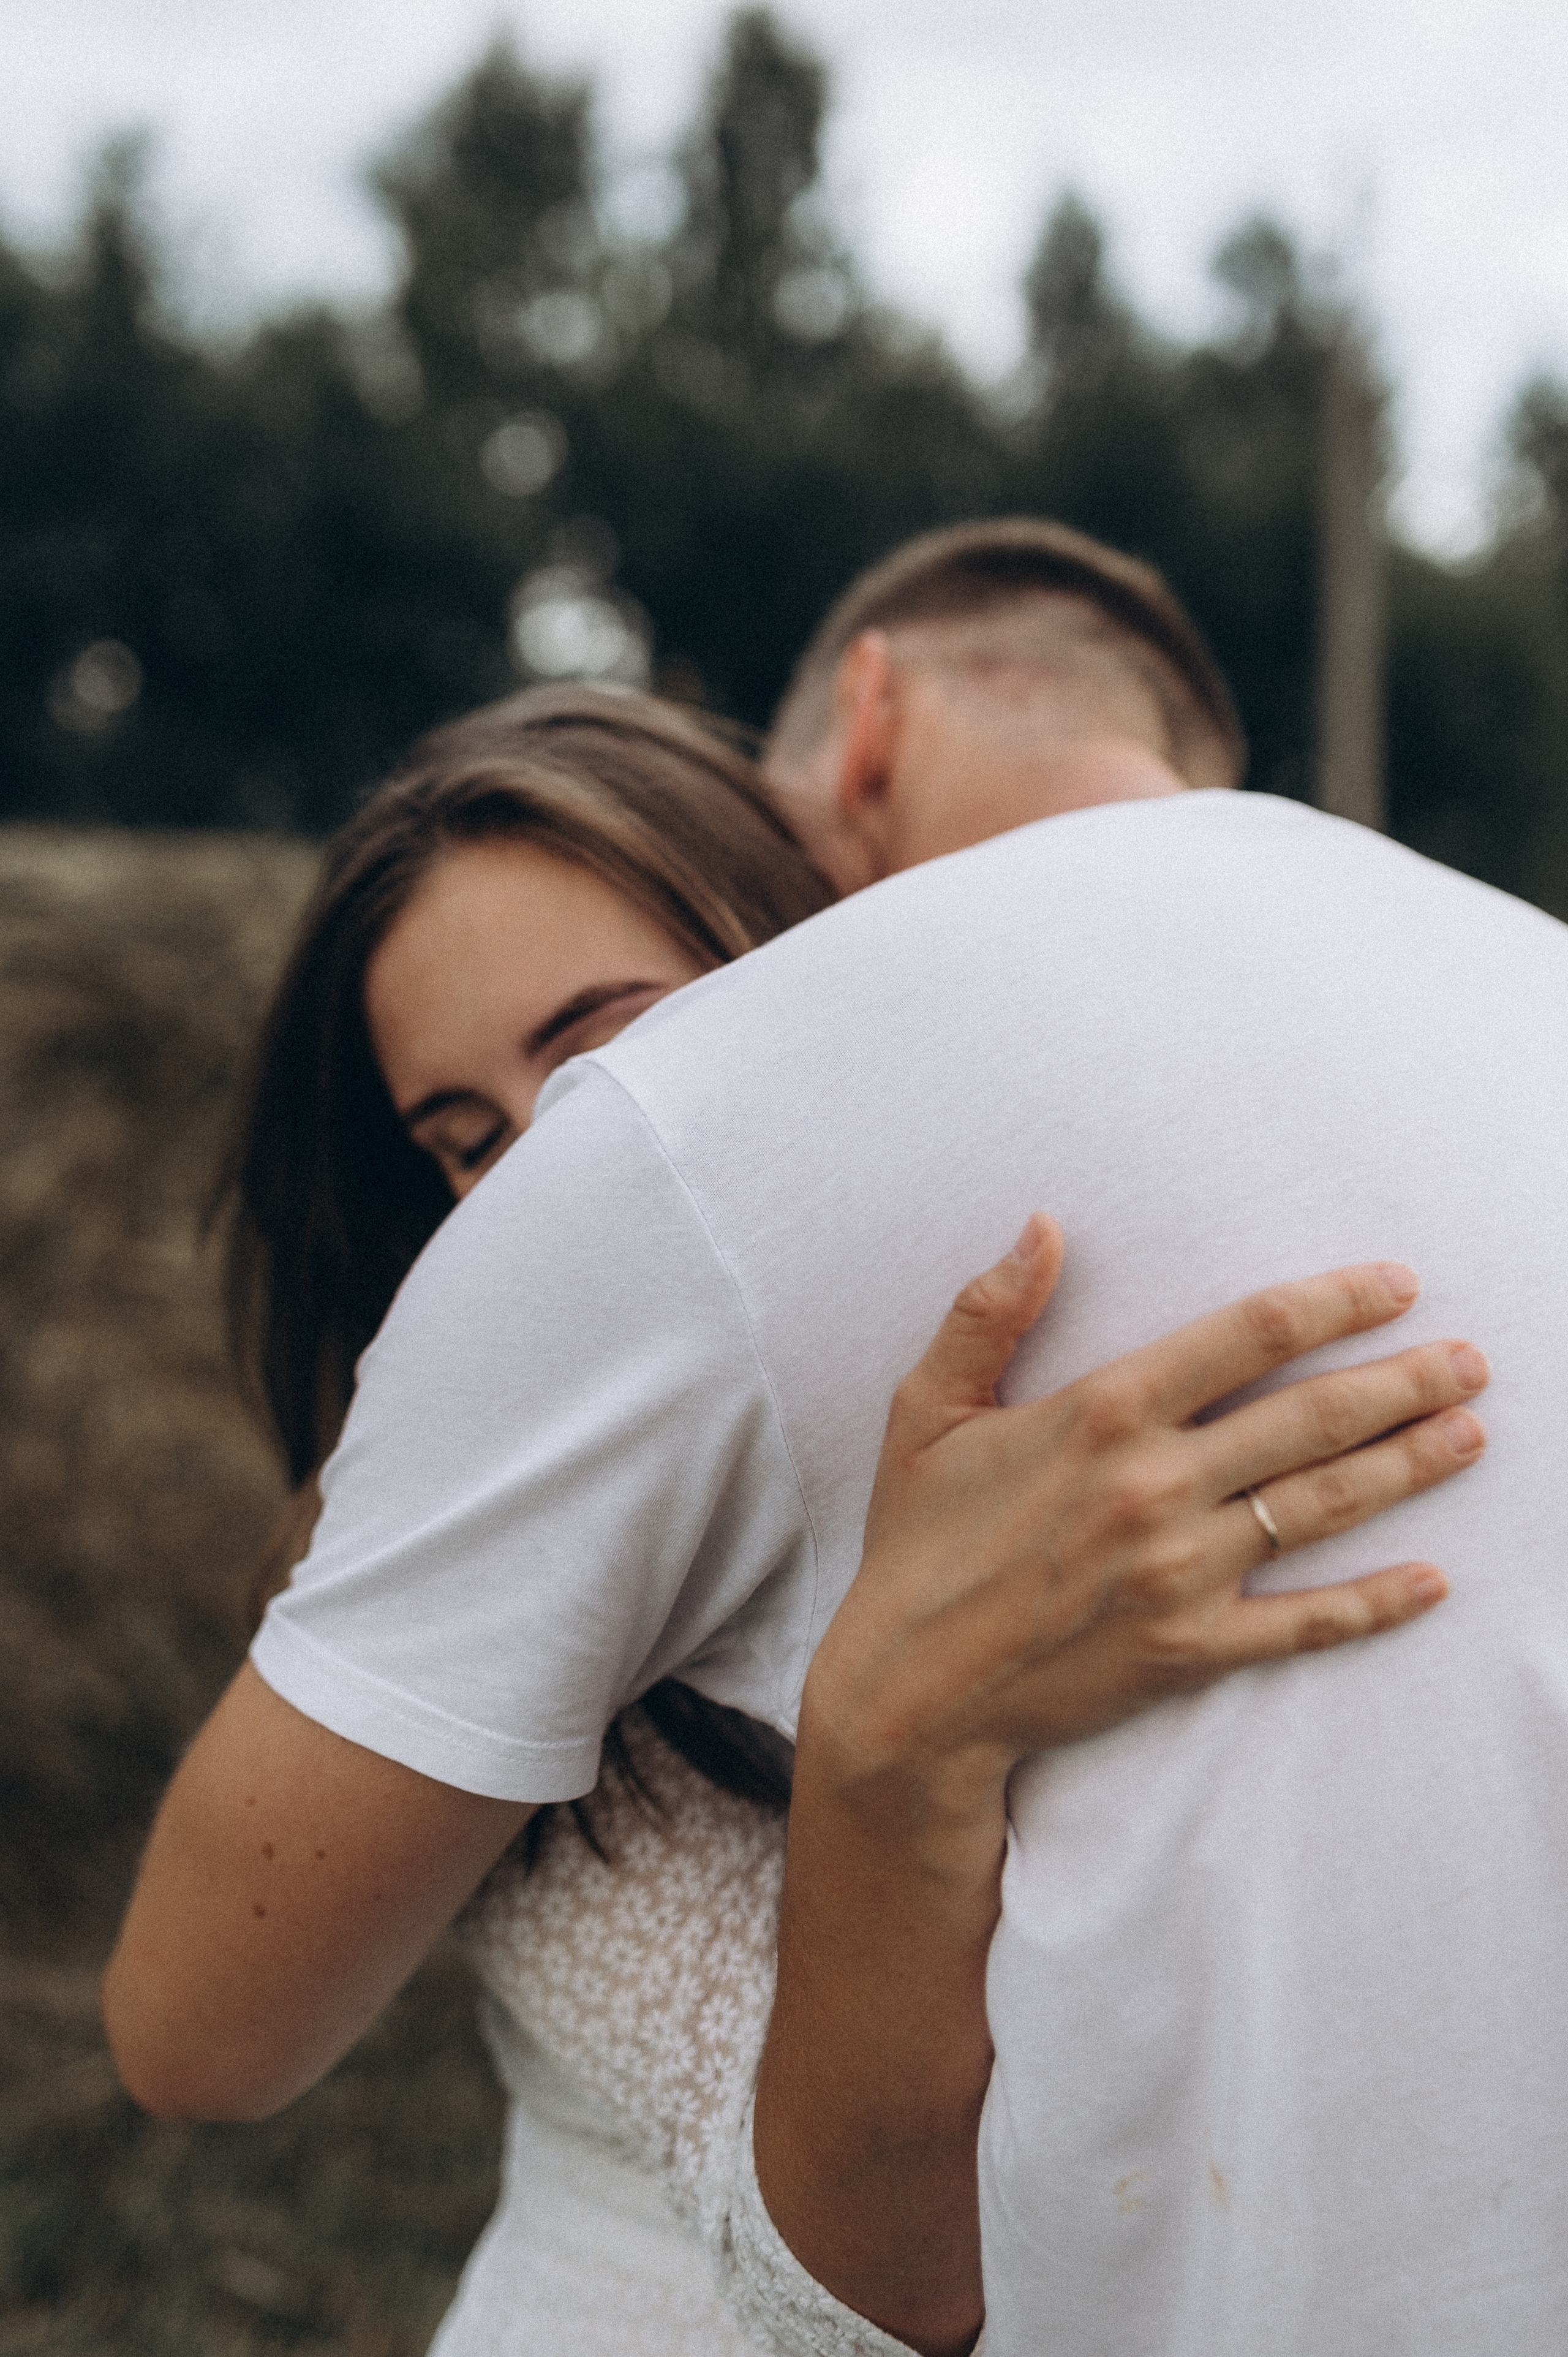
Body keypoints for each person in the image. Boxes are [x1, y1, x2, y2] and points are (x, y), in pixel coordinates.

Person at [100, 517, 1544, 2353]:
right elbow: (888, 2288)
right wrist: (895, 1742)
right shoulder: (566, 1623)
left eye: (612, 1050)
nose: (547, 1177)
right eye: (466, 1144)